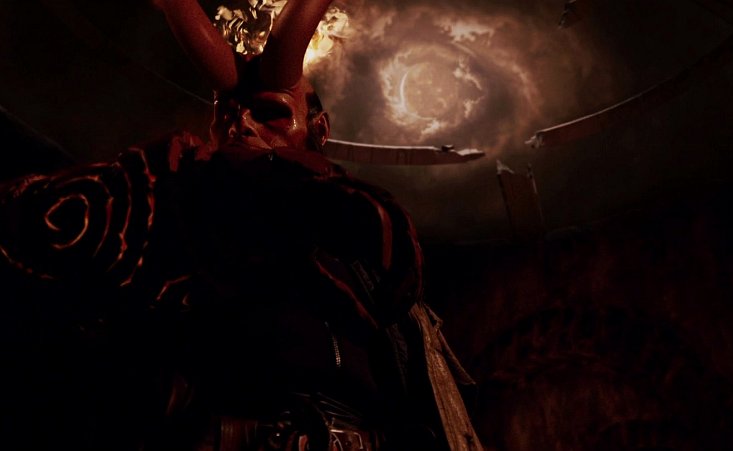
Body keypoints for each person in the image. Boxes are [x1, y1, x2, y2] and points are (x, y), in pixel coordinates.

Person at [0, 0, 482, 450]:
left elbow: (391, 263)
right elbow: (38, 222)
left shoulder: (359, 232)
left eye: (271, 115)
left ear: (319, 129)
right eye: (228, 115)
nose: (242, 125)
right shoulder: (175, 203)